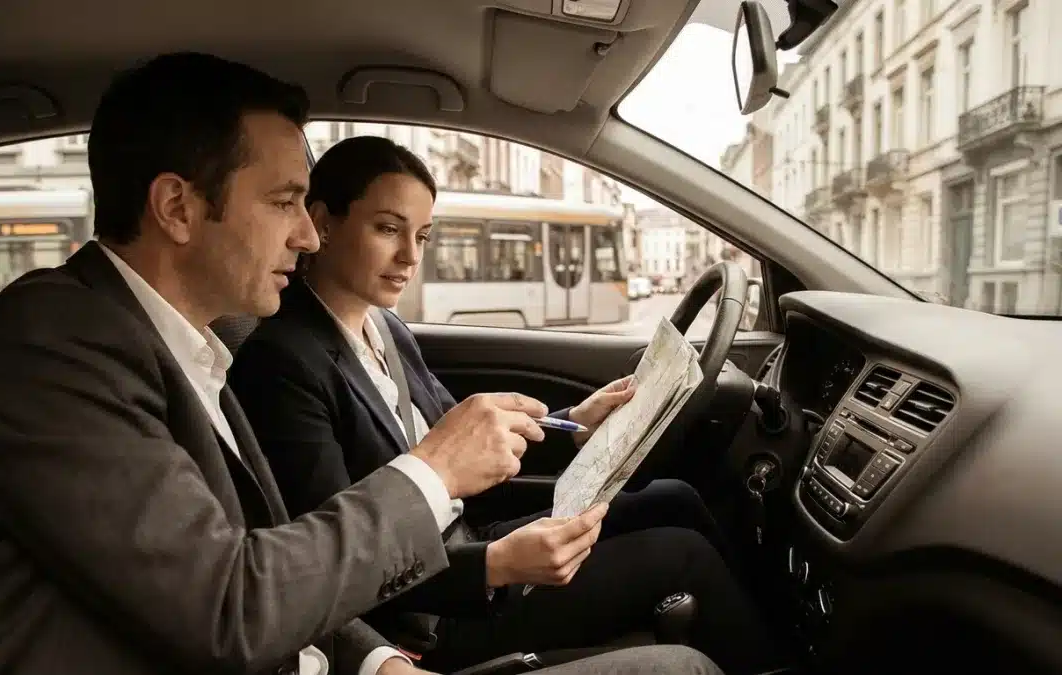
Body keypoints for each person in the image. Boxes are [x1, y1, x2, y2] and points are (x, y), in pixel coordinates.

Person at [0, 52, 725, 675]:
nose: (306, 235)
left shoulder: (184, 344)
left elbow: (272, 554)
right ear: (178, 208)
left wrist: (375, 659)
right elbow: (231, 606)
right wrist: (433, 470)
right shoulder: (48, 352)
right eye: (283, 202)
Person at [227, 136, 781, 675]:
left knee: (675, 497)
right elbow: (337, 565)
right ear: (323, 223)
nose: (410, 256)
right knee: (681, 554)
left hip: (468, 539)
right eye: (388, 229)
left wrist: (574, 427)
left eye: (422, 235)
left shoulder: (385, 328)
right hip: (429, 610)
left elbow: (474, 443)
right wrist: (495, 566)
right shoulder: (284, 362)